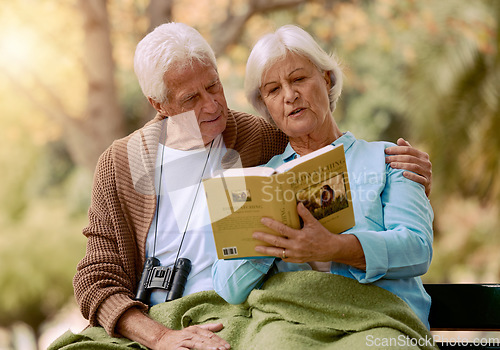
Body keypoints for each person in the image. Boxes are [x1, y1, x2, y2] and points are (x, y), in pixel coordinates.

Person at [69, 22, 432, 350]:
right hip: (155, 323)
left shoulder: (260, 138)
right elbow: (95, 278)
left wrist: (408, 175)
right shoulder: (120, 163)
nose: (212, 106)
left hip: (239, 320)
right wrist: (159, 336)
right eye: (191, 99)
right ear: (158, 104)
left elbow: (329, 146)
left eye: (213, 86)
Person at [212, 24, 434, 331]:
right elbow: (228, 288)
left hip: (380, 323)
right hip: (295, 325)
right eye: (274, 90)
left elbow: (418, 249)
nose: (290, 96)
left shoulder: (388, 159)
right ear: (266, 106)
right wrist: (267, 246)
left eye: (299, 78)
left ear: (326, 79)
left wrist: (335, 247)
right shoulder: (261, 180)